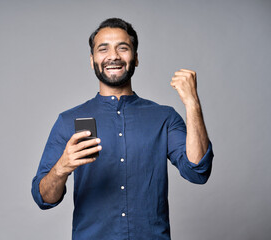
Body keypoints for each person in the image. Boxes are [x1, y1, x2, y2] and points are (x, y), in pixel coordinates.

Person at [32, 18, 213, 240]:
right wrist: (61, 168)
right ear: (92, 60)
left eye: (123, 48)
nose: (114, 56)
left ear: (135, 58)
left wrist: (192, 103)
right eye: (103, 49)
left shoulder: (163, 117)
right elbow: (44, 198)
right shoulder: (68, 121)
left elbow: (197, 171)